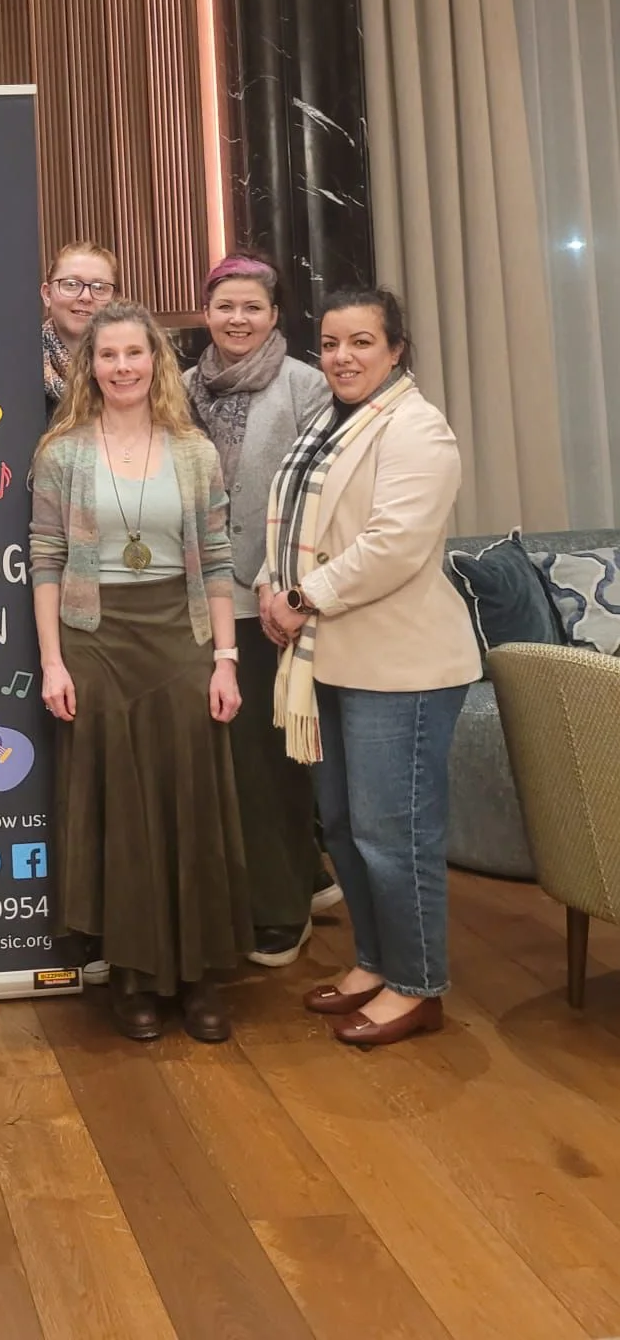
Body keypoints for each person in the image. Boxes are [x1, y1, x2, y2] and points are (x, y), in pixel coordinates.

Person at [260, 287, 479, 1047]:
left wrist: (300, 596)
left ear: (395, 350)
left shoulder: (419, 430)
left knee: (396, 833)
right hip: (335, 660)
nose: (342, 358)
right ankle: (376, 961)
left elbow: (392, 545)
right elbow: (290, 519)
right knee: (348, 829)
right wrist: (270, 582)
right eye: (329, 344)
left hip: (405, 665)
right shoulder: (332, 422)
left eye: (360, 343)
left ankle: (419, 987)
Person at [31, 301, 250, 1043]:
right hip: (95, 642)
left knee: (190, 807)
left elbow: (217, 562)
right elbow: (46, 562)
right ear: (87, 367)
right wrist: (53, 661)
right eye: (107, 355)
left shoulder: (194, 451)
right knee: (122, 816)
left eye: (135, 353)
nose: (122, 367)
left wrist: (224, 660)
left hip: (181, 637)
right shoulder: (61, 453)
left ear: (156, 361)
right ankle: (132, 977)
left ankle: (200, 976)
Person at [184, 254, 331, 967]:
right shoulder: (180, 388)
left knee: (268, 758)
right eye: (224, 307)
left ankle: (281, 913)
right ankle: (305, 875)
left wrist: (285, 584)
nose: (237, 320)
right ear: (205, 312)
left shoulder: (307, 385)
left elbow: (316, 494)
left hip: (274, 596)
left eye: (252, 308)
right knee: (236, 757)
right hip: (203, 595)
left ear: (275, 316)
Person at [41, 240, 120, 417]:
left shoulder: (132, 368)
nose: (86, 297)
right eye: (71, 284)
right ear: (47, 295)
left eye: (99, 287)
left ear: (114, 300)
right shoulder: (19, 366)